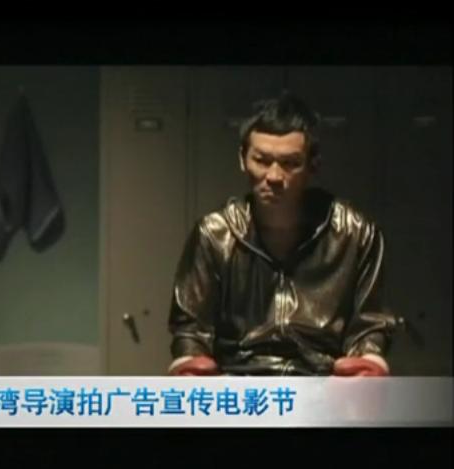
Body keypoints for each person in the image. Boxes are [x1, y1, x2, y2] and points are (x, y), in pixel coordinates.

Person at [168, 92, 397, 377]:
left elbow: (371, 323)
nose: (274, 176)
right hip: (238, 379)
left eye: (290, 163)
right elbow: (190, 327)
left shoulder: (355, 233)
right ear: (242, 159)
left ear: (313, 164)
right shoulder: (214, 234)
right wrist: (191, 363)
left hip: (324, 378)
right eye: (261, 160)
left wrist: (367, 363)